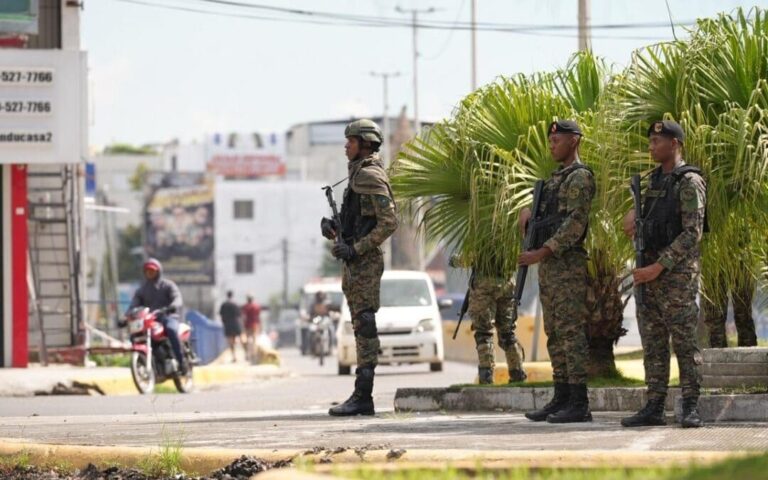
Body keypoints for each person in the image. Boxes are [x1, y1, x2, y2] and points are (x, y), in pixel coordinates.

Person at [621, 120, 706, 429]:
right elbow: (644, 221)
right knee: (653, 342)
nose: (651, 146)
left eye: (657, 141)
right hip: (649, 272)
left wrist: (659, 267)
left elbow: (691, 233)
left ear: (675, 144)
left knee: (684, 342)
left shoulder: (689, 181)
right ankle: (654, 405)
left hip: (676, 276)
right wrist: (632, 215)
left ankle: (692, 404)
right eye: (650, 141)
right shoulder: (653, 181)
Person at [518, 120, 595, 424]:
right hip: (550, 268)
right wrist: (527, 217)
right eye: (550, 140)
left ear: (574, 140)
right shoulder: (553, 181)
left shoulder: (580, 177)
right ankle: (561, 396)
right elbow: (546, 221)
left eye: (557, 139)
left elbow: (574, 225)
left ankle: (579, 401)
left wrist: (542, 251)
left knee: (571, 333)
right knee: (554, 333)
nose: (552, 144)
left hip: (567, 266)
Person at [320, 119, 398, 416]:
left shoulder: (369, 175)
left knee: (365, 324)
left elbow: (389, 222)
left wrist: (356, 248)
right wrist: (334, 230)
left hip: (364, 262)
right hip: (355, 262)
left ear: (365, 144)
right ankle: (361, 395)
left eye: (350, 141)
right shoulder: (358, 175)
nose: (345, 146)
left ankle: (363, 395)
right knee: (359, 324)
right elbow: (359, 221)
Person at [449, 254, 527, 384]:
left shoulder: (483, 236)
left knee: (484, 333)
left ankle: (486, 376)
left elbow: (469, 258)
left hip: (483, 286)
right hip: (507, 284)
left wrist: (453, 260)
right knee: (507, 333)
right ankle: (517, 374)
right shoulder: (511, 236)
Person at [129, 258, 187, 374]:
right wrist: (126, 317)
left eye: (153, 271)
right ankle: (151, 363)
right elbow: (133, 306)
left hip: (168, 316)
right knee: (136, 335)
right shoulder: (141, 290)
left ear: (158, 271)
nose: (150, 273)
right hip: (150, 320)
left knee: (170, 329)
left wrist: (172, 306)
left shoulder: (168, 285)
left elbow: (177, 298)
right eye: (147, 271)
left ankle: (181, 362)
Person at [703, 265, 757, 348]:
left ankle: (750, 356)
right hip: (714, 261)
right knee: (715, 320)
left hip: (740, 259)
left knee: (743, 316)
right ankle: (717, 357)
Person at [219, 290, 243, 363]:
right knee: (239, 338)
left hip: (227, 324)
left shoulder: (224, 305)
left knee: (230, 341)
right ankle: (247, 353)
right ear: (232, 295)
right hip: (236, 324)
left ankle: (234, 356)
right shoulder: (235, 304)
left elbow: (221, 314)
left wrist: (224, 322)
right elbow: (239, 315)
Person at [241, 294, 262, 361]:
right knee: (254, 339)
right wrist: (260, 325)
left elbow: (244, 317)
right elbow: (258, 317)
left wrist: (242, 325)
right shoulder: (256, 306)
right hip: (255, 324)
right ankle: (254, 354)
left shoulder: (245, 307)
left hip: (247, 325)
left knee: (246, 339)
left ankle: (247, 353)